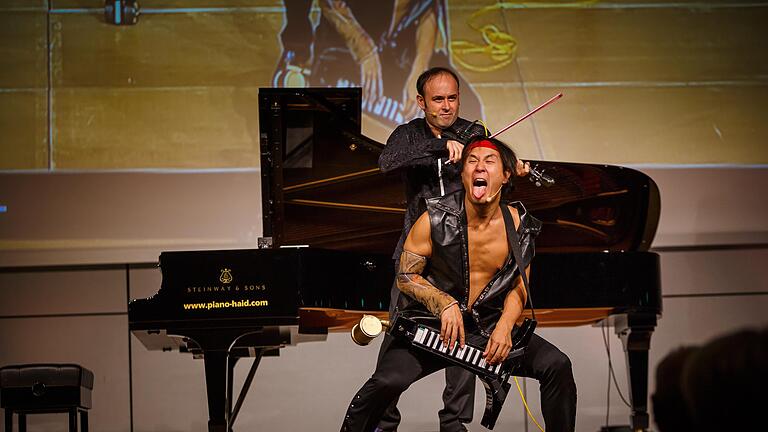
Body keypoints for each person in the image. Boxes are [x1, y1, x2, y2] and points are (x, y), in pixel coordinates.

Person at [342, 136, 577, 432]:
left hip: (487, 325)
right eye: (472, 161)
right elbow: (405, 275)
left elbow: (519, 285)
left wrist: (505, 326)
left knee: (557, 365)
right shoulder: (434, 218)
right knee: (387, 381)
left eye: (490, 161)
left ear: (506, 176)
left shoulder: (521, 226)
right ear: (463, 174)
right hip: (432, 325)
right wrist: (444, 303)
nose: (480, 167)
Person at [376, 66, 498, 432]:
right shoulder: (407, 134)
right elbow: (388, 162)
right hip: (415, 258)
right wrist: (439, 146)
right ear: (421, 102)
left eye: (452, 98)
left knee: (464, 345)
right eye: (438, 99)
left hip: (463, 259)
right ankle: (383, 421)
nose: (447, 106)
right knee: (396, 338)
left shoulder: (473, 132)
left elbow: (489, 173)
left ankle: (455, 424)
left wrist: (499, 164)